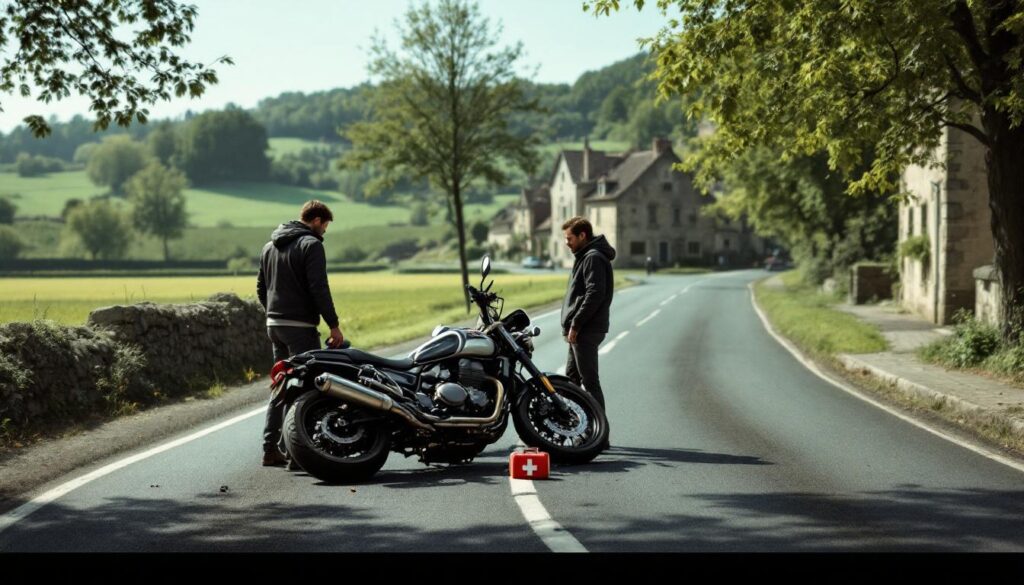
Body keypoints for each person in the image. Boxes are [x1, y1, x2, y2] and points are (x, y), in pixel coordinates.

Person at [256, 200, 345, 466]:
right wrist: (333, 324)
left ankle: (270, 449)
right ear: (316, 220)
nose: (325, 231)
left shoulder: (269, 246)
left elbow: (261, 287)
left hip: (274, 325)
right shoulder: (311, 245)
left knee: (281, 385)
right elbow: (319, 287)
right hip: (300, 327)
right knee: (304, 387)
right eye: (325, 225)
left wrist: (274, 313)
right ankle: (296, 453)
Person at [560, 216, 615, 450]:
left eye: (569, 238)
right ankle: (576, 429)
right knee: (571, 380)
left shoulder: (592, 257)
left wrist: (576, 324)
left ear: (582, 235)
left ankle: (599, 437)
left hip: (586, 330)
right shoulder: (586, 255)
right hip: (581, 329)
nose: (567, 243)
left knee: (589, 382)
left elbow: (595, 294)